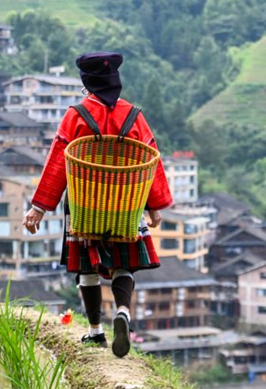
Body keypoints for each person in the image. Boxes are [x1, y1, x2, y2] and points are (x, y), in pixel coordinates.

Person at [23, 52, 173, 358]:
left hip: (84, 206)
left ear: (86, 82)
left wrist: (39, 206)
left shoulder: (75, 115)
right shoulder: (134, 115)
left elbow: (56, 163)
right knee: (124, 263)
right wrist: (153, 205)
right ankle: (122, 312)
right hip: (126, 206)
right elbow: (151, 159)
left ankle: (95, 332)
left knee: (86, 269)